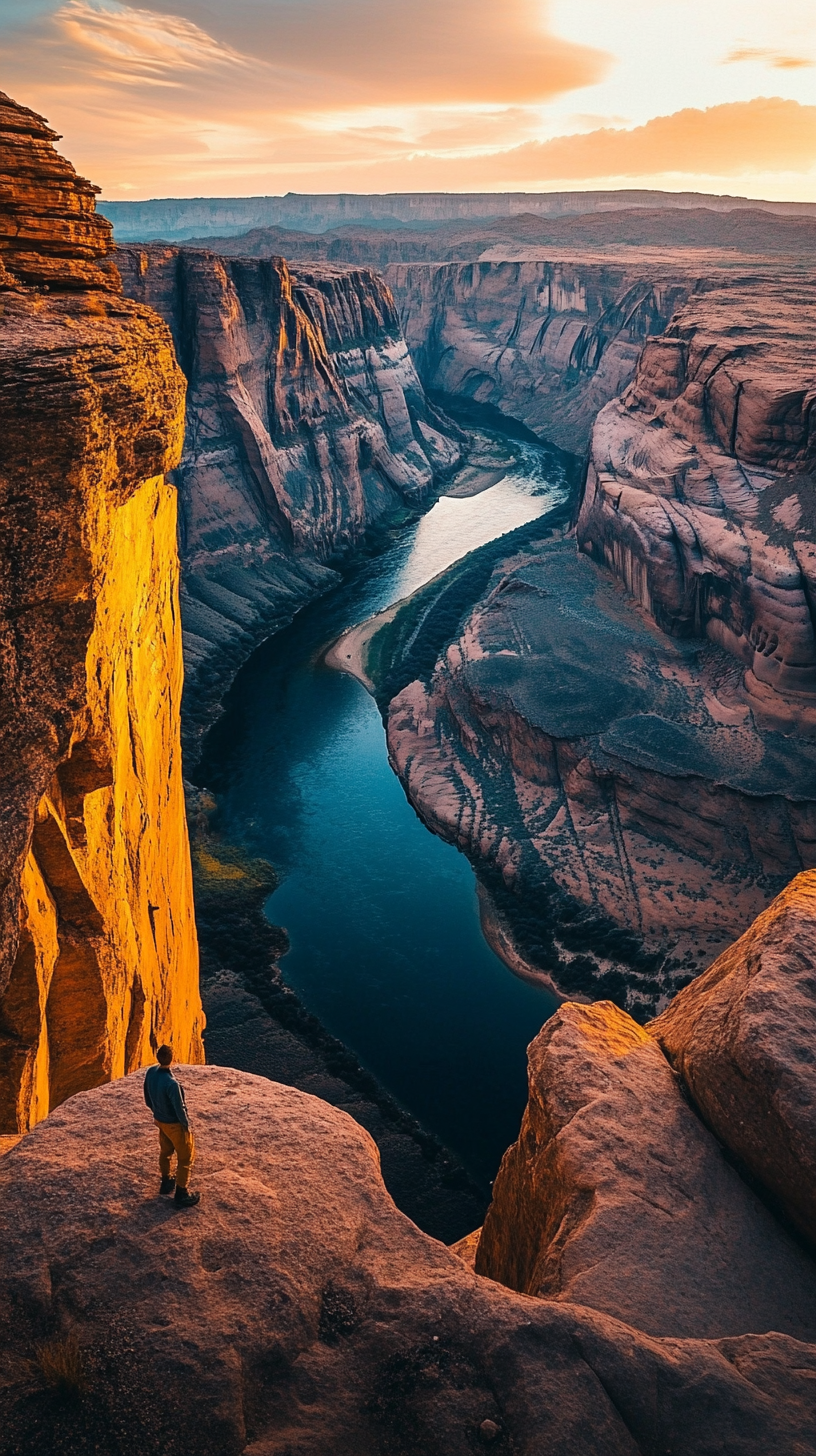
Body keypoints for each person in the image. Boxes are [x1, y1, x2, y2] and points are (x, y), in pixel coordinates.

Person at [143, 1045, 201, 1208]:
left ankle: (166, 1181)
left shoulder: (151, 1072)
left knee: (166, 1151)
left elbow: (147, 1096)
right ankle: (182, 1193)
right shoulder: (171, 1083)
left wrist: (156, 1111)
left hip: (160, 1121)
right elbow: (179, 1108)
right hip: (174, 1125)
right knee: (185, 1158)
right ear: (172, 1058)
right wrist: (187, 1126)